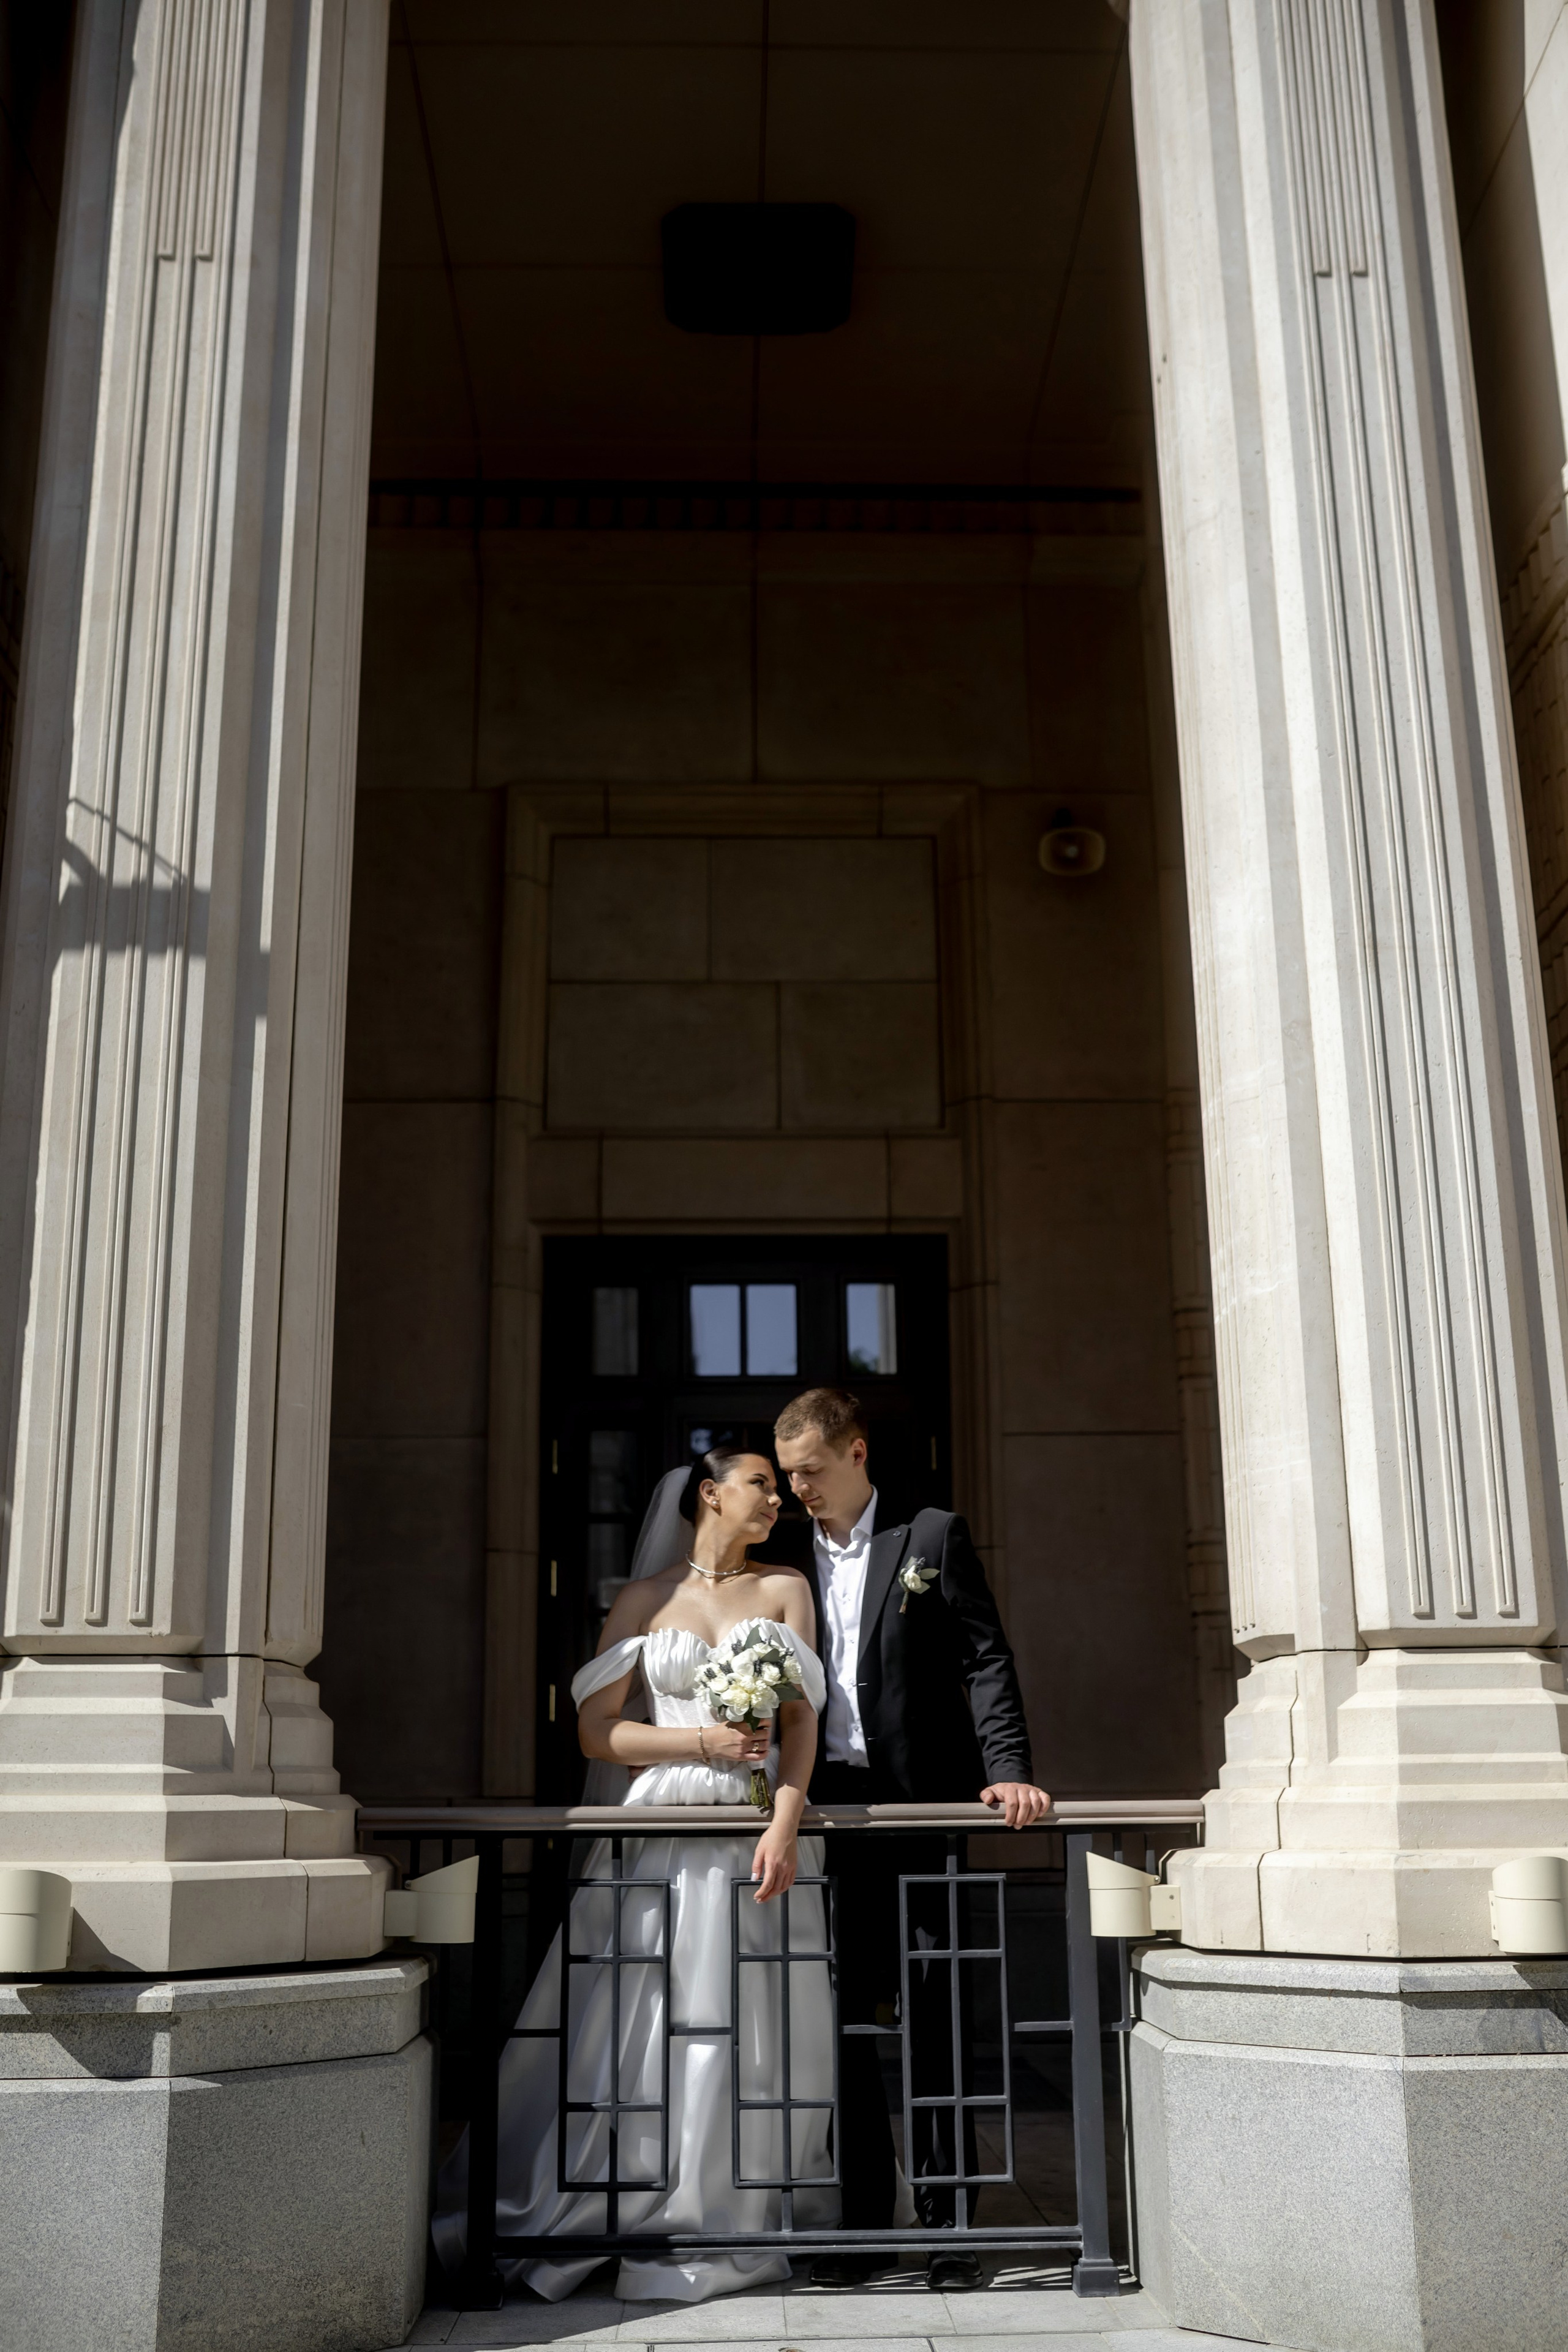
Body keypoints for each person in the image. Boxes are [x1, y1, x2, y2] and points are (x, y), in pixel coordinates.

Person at [432, 1446, 835, 2304]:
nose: (777, 1499)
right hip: (660, 1824)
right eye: (762, 1483)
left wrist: (786, 1824)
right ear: (710, 1493)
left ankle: (730, 2203)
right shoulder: (645, 1600)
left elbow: (800, 1722)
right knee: (648, 2007)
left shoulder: (786, 1589)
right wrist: (702, 1742)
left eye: (777, 1488)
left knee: (750, 2013)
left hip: (756, 1827)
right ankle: (629, 2196)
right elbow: (596, 1733)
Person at [767, 1387, 1052, 2291]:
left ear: (856, 1453)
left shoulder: (931, 1536)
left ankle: (950, 2227)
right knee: (844, 2019)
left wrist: (1005, 1766)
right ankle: (861, 2227)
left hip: (923, 1811)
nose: (799, 1489)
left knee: (933, 2017)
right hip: (831, 1815)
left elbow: (983, 1656)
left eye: (810, 1471)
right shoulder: (780, 1560)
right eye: (787, 1476)